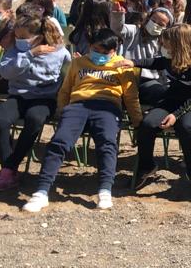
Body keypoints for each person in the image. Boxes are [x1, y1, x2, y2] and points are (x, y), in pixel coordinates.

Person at [22, 29, 141, 213]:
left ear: (114, 50)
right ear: (90, 46)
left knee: (107, 143)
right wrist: (62, 111)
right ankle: (42, 191)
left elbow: (131, 97)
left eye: (105, 52)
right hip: (78, 105)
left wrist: (137, 122)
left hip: (107, 106)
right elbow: (65, 90)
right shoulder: (78, 63)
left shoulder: (122, 65)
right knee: (59, 142)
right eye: (96, 49)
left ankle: (105, 190)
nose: (100, 55)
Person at [129, 24, 191, 189]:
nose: (163, 46)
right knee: (147, 124)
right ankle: (147, 166)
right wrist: (131, 62)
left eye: (166, 42)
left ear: (178, 44)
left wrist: (176, 115)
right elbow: (154, 62)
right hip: (171, 101)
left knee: (186, 127)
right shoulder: (169, 60)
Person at [0, 10, 70, 190]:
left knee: (34, 119)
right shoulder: (16, 49)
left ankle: (9, 167)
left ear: (39, 36)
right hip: (18, 95)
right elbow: (6, 72)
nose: (20, 40)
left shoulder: (59, 51)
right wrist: (29, 54)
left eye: (24, 37)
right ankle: (9, 167)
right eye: (17, 36)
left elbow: (69, 71)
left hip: (44, 99)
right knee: (1, 119)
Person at [112, 3, 173, 105]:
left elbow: (162, 66)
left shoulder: (165, 43)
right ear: (148, 18)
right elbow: (118, 29)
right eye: (153, 20)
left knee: (161, 94)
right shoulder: (135, 31)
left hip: (148, 81)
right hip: (126, 76)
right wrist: (118, 15)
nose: (155, 24)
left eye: (161, 24)